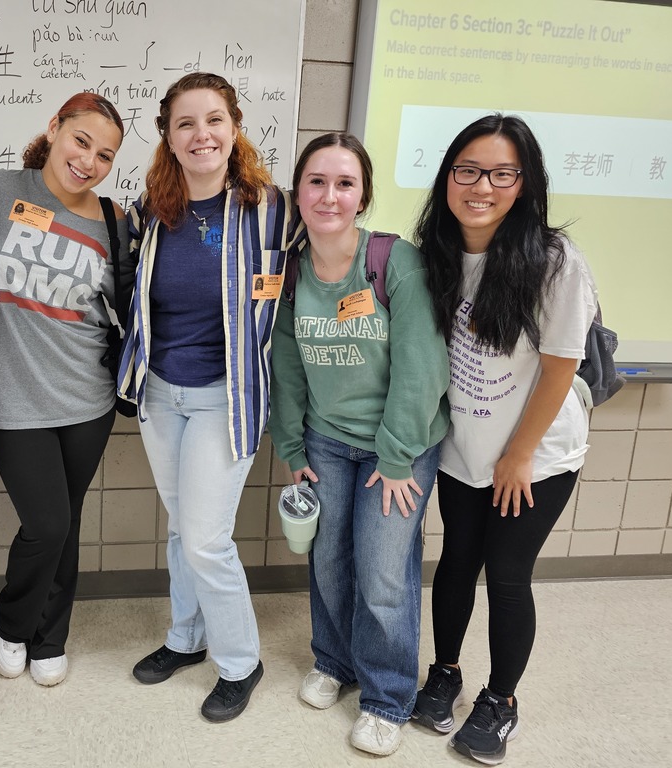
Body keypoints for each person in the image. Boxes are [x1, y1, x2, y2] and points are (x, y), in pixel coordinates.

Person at [410, 114, 598, 765]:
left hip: (535, 457)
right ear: (448, 177)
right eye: (468, 170)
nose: (481, 186)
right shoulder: (435, 252)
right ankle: (445, 672)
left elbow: (561, 365)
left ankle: (501, 700)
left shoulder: (554, 260)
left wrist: (518, 455)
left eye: (501, 174)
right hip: (464, 448)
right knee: (456, 562)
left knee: (509, 575)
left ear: (525, 184)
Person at [118, 72, 299, 723]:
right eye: (186, 123)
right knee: (183, 529)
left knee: (205, 538)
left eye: (214, 119)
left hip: (228, 398)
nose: (202, 134)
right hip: (161, 395)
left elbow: (334, 255)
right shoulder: (149, 214)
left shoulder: (274, 210)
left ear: (235, 127)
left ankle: (240, 662)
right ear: (168, 136)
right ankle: (186, 636)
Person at [268, 133, 449, 755]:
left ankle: (386, 697)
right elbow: (287, 367)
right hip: (325, 440)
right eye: (316, 182)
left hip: (398, 446)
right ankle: (334, 660)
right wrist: (292, 449)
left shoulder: (394, 262)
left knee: (381, 571)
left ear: (363, 195)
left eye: (345, 183)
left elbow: (422, 367)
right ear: (298, 193)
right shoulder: (292, 271)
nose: (329, 196)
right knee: (327, 559)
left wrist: (397, 456)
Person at [0, 93, 130, 687]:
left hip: (87, 398)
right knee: (48, 523)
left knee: (67, 520)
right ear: (55, 128)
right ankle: (11, 625)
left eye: (105, 155)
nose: (89, 161)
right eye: (81, 141)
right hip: (14, 397)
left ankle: (50, 637)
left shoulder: (113, 220)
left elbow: (123, 304)